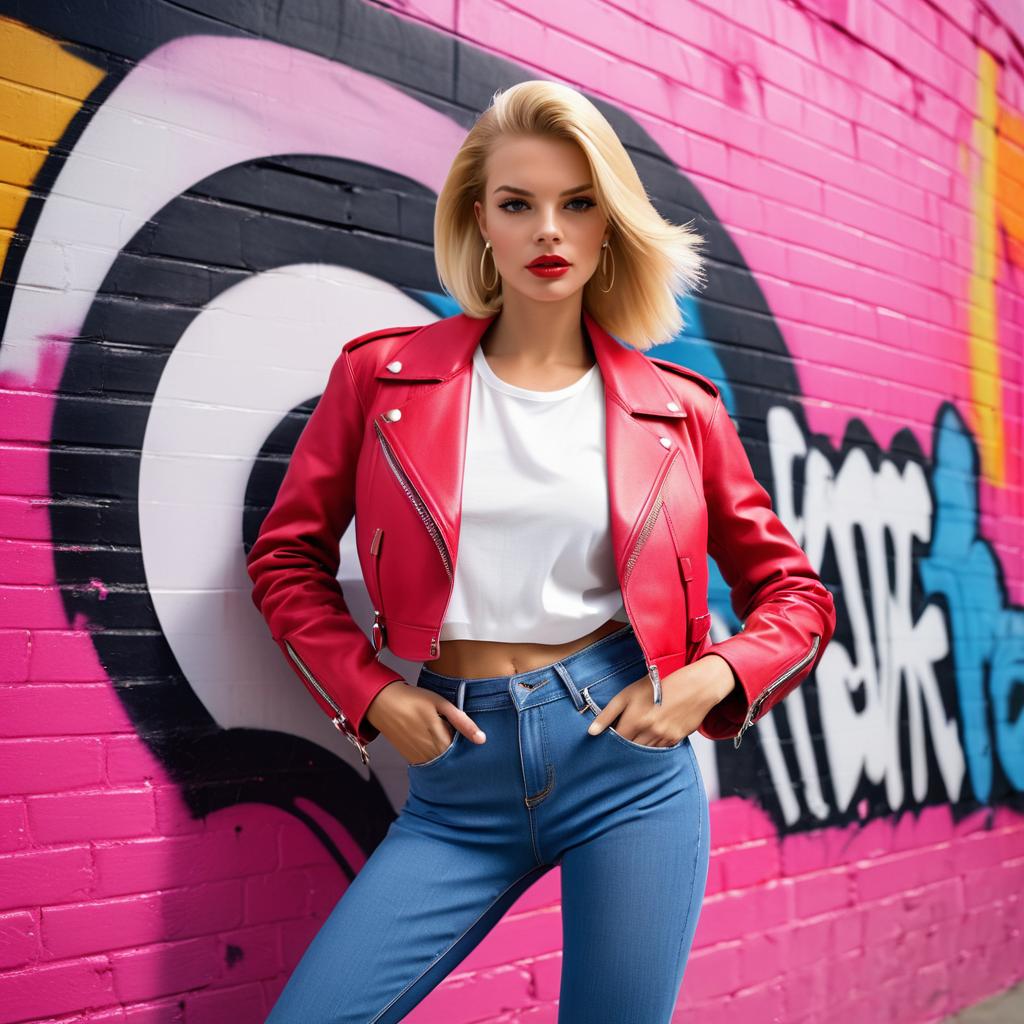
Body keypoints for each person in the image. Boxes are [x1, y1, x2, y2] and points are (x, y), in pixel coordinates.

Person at [249, 80, 836, 1024]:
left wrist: (713, 678)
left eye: (577, 204)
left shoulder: (681, 411)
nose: (548, 232)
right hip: (457, 774)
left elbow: (794, 595)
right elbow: (286, 561)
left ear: (610, 224)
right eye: (518, 204)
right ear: (480, 219)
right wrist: (375, 694)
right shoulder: (382, 377)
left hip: (623, 764)